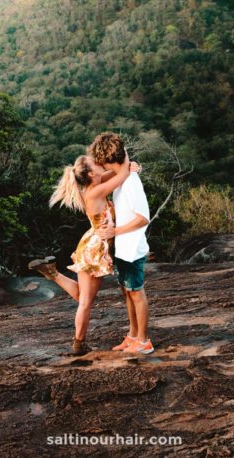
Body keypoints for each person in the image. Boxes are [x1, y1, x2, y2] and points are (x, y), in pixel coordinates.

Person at [28, 152, 139, 356]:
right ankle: (79, 343)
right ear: (90, 173)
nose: (99, 163)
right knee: (85, 301)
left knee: (83, 296)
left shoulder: (96, 184)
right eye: (94, 163)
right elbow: (121, 173)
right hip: (94, 249)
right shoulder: (95, 191)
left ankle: (52, 273)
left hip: (93, 243)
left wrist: (129, 165)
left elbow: (117, 171)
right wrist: (123, 155)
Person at [89, 132, 154, 355]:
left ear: (105, 159)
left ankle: (144, 341)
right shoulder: (122, 178)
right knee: (127, 292)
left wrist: (115, 231)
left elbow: (143, 217)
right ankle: (133, 335)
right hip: (123, 247)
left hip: (132, 247)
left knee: (136, 292)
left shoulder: (130, 182)